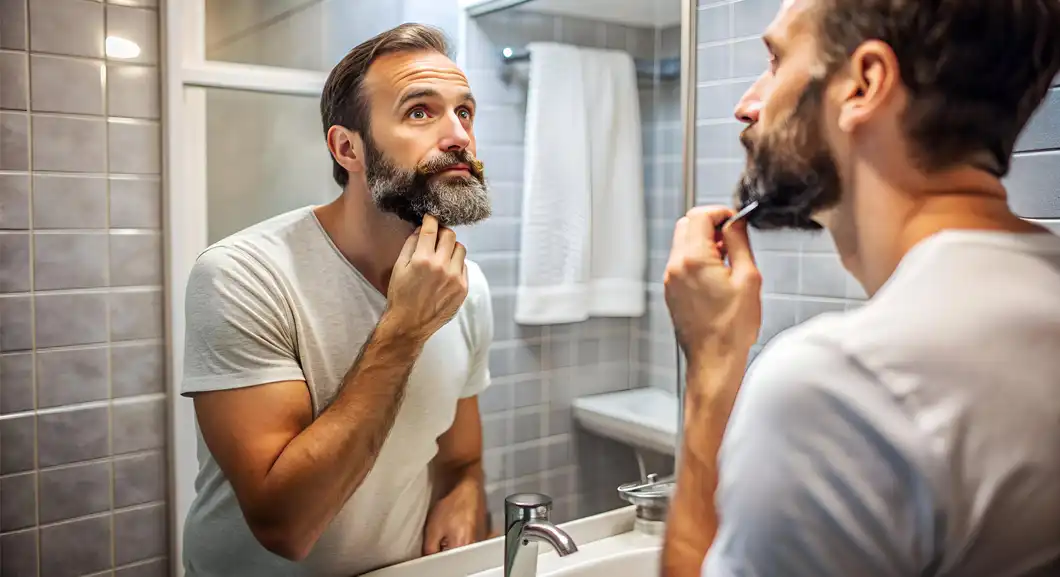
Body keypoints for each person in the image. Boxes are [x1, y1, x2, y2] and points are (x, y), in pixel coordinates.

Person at [662, 0, 1060, 575]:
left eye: (776, 60)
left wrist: (709, 368)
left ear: (863, 84)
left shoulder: (840, 386)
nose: (746, 105)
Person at [180, 24, 495, 577]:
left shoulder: (466, 286)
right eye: (420, 112)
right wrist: (405, 328)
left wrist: (464, 493)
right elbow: (286, 526)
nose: (458, 136)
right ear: (347, 147)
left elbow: (461, 459)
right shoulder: (243, 275)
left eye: (464, 113)